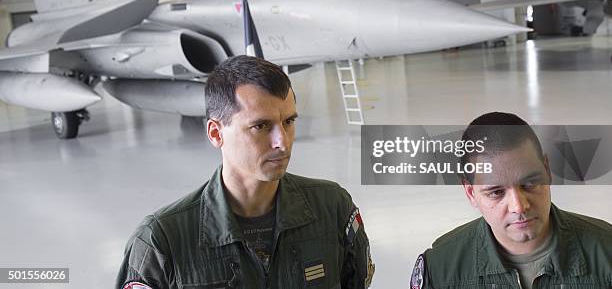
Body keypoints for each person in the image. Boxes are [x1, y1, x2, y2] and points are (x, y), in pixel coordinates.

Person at [116, 55, 374, 289]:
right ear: (216, 134)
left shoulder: (332, 208)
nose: (282, 142)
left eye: (289, 122)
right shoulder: (162, 241)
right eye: (260, 126)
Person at [410, 112, 611, 289]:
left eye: (530, 183)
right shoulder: (439, 270)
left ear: (547, 171)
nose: (519, 206)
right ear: (471, 193)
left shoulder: (607, 252)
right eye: (496, 192)